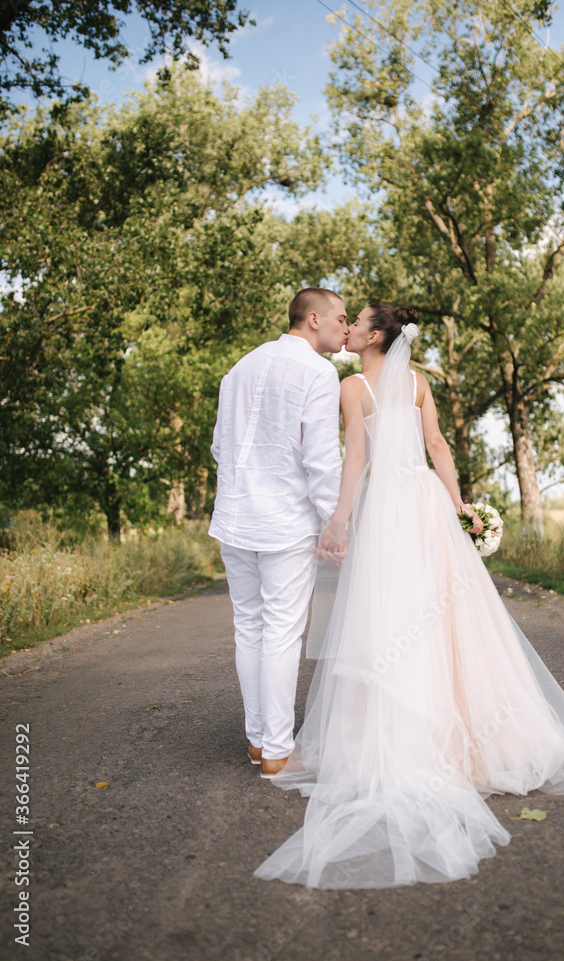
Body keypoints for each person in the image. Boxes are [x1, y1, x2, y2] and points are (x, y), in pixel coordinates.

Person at [254, 304, 564, 888]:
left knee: (388, 615)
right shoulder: (419, 383)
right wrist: (459, 509)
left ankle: (403, 737)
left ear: (374, 336)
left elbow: (356, 460)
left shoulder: (352, 389)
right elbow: (439, 446)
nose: (349, 328)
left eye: (357, 322)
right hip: (424, 503)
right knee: (447, 616)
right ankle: (474, 742)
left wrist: (339, 519)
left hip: (385, 508)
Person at [209, 287, 349, 779]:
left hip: (234, 515)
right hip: (285, 520)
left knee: (249, 627)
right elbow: (321, 459)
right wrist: (336, 523)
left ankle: (257, 741)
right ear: (314, 319)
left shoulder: (240, 367)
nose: (346, 327)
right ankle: (277, 750)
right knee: (282, 634)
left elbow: (219, 445)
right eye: (341, 317)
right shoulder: (319, 372)